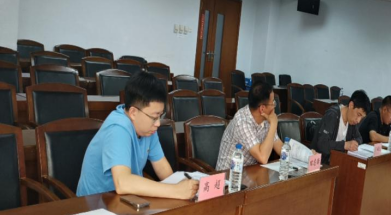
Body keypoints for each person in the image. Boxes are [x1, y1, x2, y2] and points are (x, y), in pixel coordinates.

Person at [77, 71, 199, 200]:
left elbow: (162, 168)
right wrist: (176, 191)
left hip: (126, 199)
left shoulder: (148, 129)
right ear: (133, 113)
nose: (158, 123)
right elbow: (122, 183)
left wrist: (183, 187)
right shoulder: (118, 128)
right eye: (154, 117)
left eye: (160, 116)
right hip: (94, 202)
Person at [217, 81, 283, 170]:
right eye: (273, 103)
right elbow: (263, 158)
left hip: (250, 171)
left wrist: (300, 156)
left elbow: (279, 146)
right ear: (262, 108)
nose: (274, 106)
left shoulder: (266, 119)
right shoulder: (242, 122)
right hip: (230, 174)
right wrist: (274, 124)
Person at [312, 90, 370, 165]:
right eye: (358, 115)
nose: (358, 120)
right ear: (351, 105)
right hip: (320, 162)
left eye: (361, 118)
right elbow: (322, 144)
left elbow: (359, 138)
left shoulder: (351, 121)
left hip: (337, 161)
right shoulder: (332, 115)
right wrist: (345, 145)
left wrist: (354, 143)